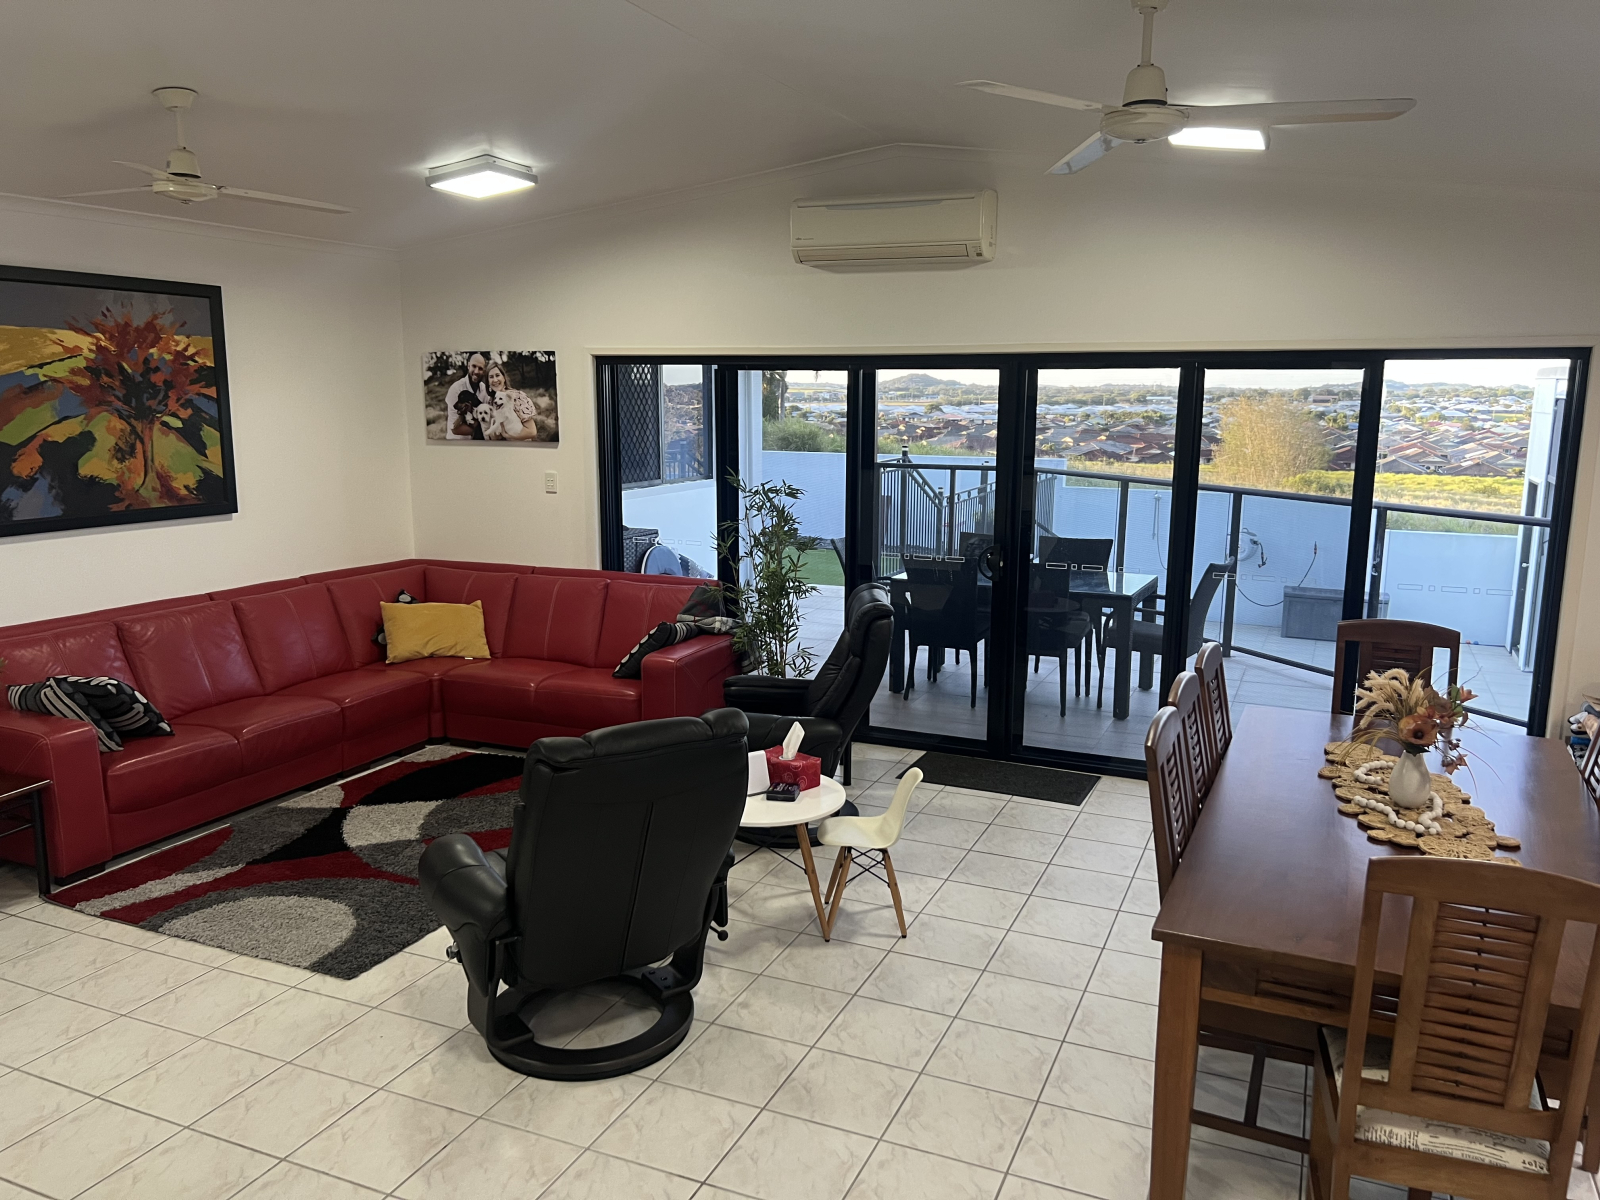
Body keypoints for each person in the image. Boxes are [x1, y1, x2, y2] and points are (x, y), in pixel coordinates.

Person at [482, 361, 557, 442]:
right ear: (488, 382)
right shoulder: (490, 402)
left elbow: (532, 432)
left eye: (497, 375)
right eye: (491, 377)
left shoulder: (518, 397)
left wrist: (507, 435)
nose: (495, 380)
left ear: (504, 378)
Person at [443, 354, 489, 440]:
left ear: (484, 371)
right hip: (457, 442)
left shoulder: (484, 390)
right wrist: (482, 428)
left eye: (480, 368)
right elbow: (454, 428)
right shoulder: (456, 389)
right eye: (474, 366)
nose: (476, 371)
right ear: (468, 366)